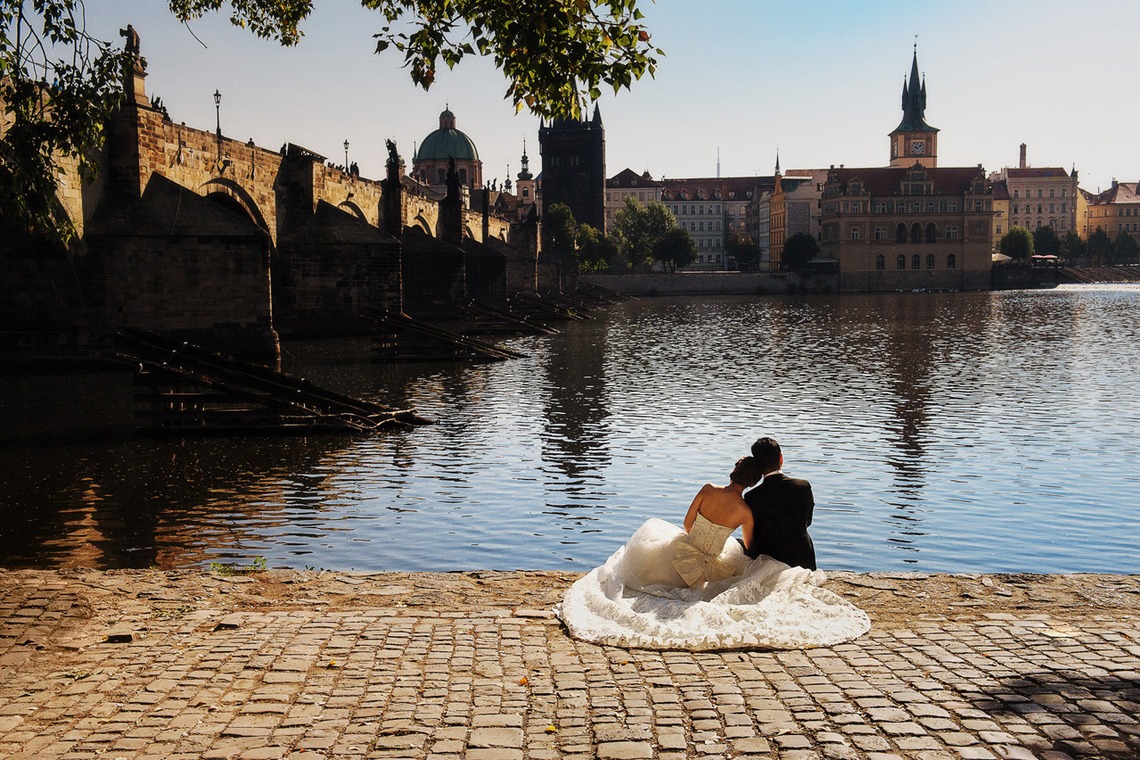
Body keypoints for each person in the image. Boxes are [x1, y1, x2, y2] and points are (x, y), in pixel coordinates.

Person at [556, 455, 869, 651]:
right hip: (708, 564)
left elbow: (687, 522)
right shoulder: (745, 511)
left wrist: (699, 541)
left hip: (682, 549)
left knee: (641, 561)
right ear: (751, 483)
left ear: (733, 470)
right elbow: (748, 547)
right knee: (736, 569)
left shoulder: (707, 489)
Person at [744, 436, 817, 570]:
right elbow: (808, 522)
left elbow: (752, 539)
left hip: (768, 560)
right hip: (802, 559)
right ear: (781, 458)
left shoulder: (751, 496)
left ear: (758, 466)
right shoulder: (803, 486)